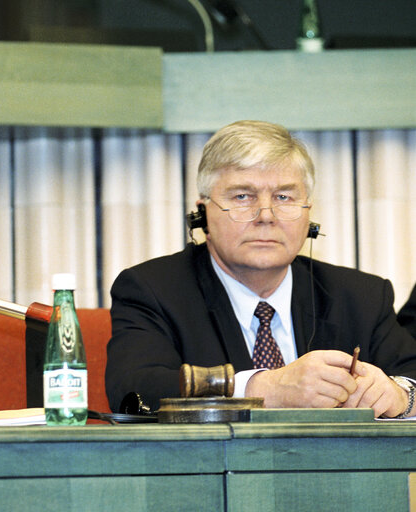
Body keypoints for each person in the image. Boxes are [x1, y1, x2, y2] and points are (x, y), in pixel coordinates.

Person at [105, 120, 416, 418]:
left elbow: (411, 376)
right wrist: (265, 389)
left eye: (284, 197)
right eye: (243, 196)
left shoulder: (361, 296)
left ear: (309, 214)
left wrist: (399, 395)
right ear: (202, 215)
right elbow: (135, 390)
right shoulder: (153, 290)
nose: (266, 215)